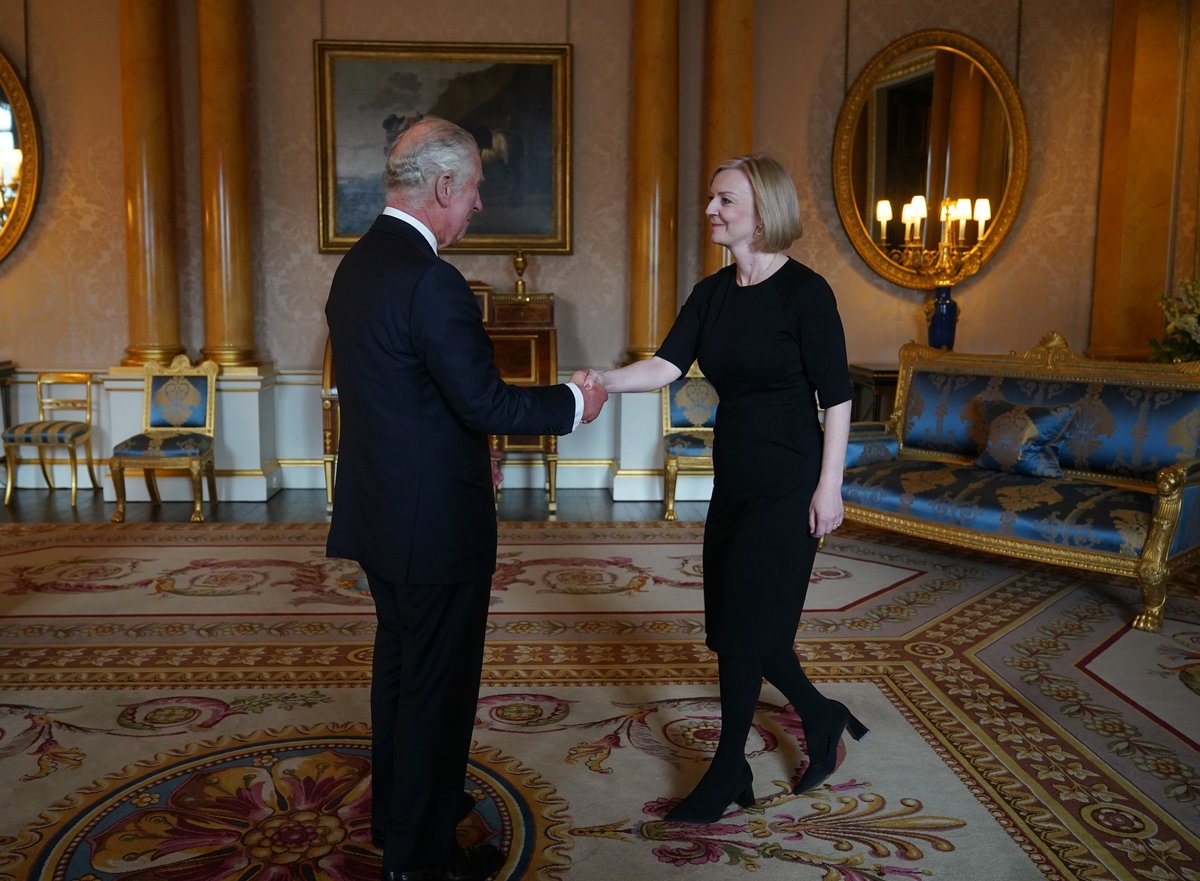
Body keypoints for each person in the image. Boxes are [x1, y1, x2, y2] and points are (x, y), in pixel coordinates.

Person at [325, 116, 607, 881]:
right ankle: (421, 861)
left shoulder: (358, 267)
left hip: (382, 517)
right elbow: (487, 405)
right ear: (445, 185)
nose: (479, 204)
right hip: (434, 529)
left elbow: (415, 401)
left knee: (401, 675)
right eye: (476, 188)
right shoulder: (431, 281)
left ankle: (399, 820)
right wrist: (575, 402)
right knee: (437, 694)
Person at [579, 154, 866, 824]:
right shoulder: (711, 294)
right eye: (711, 199)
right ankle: (823, 715)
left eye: (724, 199)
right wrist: (599, 383)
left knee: (745, 629)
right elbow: (665, 364)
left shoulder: (807, 293)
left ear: (762, 209)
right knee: (745, 626)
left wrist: (831, 487)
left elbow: (839, 397)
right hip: (734, 477)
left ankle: (728, 764)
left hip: (791, 479)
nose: (710, 210)